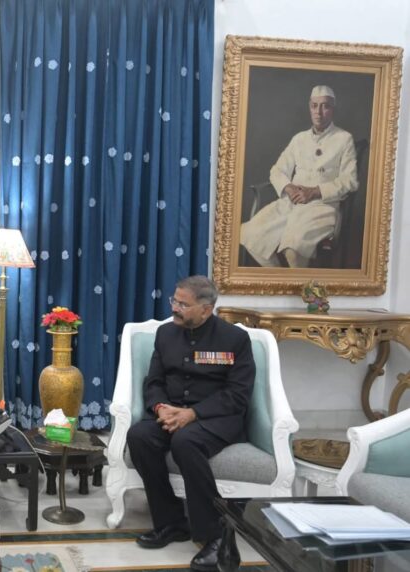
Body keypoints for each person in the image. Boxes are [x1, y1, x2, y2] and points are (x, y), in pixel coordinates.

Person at [127, 276, 255, 572]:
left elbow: (237, 395)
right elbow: (154, 382)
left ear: (206, 309)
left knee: (186, 442)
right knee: (140, 436)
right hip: (171, 413)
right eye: (174, 300)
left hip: (216, 419)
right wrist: (160, 409)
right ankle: (171, 522)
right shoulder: (165, 334)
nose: (175, 307)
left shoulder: (234, 339)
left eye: (183, 304)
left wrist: (192, 414)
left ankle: (215, 536)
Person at [240, 85, 358, 268]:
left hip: (321, 206)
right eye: (314, 106)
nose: (319, 112)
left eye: (325, 106)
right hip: (291, 203)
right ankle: (283, 284)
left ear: (333, 109)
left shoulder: (344, 139)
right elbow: (277, 170)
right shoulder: (299, 139)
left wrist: (314, 192)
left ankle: (298, 291)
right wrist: (288, 187)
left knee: (293, 250)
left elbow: (349, 181)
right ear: (309, 107)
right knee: (248, 234)